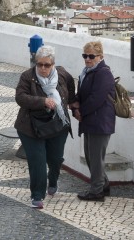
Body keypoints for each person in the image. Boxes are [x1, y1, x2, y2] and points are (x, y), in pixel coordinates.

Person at [14, 45, 75, 209]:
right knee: (37, 162)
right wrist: (42, 101)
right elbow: (20, 97)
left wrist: (70, 105)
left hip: (57, 124)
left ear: (53, 64)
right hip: (31, 127)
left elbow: (70, 87)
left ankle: (53, 180)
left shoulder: (62, 74)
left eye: (46, 65)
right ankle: (37, 195)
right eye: (39, 64)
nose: (42, 68)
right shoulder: (27, 76)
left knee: (55, 159)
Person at [73, 41, 116, 202]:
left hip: (100, 121)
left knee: (96, 158)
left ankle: (96, 191)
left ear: (100, 56)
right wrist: (75, 104)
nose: (88, 59)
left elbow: (96, 98)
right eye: (85, 56)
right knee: (91, 157)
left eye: (91, 56)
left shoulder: (103, 73)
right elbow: (83, 93)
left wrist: (80, 111)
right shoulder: (87, 72)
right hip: (91, 120)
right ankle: (103, 184)